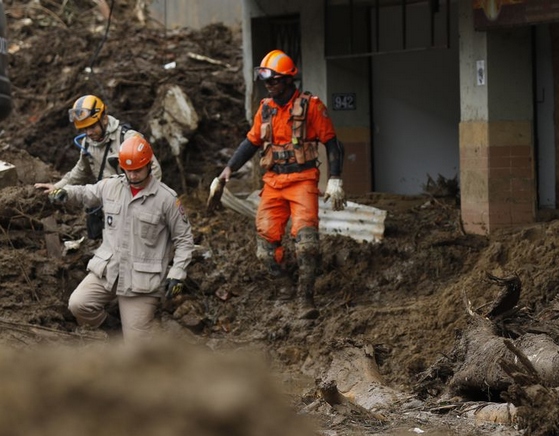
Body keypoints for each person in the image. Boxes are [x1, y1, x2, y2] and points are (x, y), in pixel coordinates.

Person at [216, 49, 346, 320]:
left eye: (274, 80)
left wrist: (335, 178)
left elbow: (333, 143)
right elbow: (251, 143)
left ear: (288, 80)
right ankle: (284, 284)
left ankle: (305, 297)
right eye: (266, 80)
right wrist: (229, 169)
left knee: (307, 244)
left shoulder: (311, 106)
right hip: (273, 182)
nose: (270, 85)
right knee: (264, 250)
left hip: (303, 180)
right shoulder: (265, 109)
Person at [47, 135, 193, 341]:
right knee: (78, 305)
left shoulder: (166, 199)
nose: (132, 175)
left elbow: (185, 240)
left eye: (137, 170)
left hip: (141, 281)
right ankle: (113, 330)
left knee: (136, 347)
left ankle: (132, 336)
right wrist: (64, 192)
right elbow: (85, 192)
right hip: (109, 270)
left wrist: (177, 274)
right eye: (128, 170)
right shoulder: (111, 186)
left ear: (149, 165)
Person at [35, 94, 163, 239]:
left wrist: (144, 201)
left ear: (104, 118)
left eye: (92, 127)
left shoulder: (128, 139)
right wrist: (58, 186)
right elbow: (80, 171)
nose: (89, 132)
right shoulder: (87, 142)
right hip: (109, 206)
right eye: (84, 129)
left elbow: (154, 169)